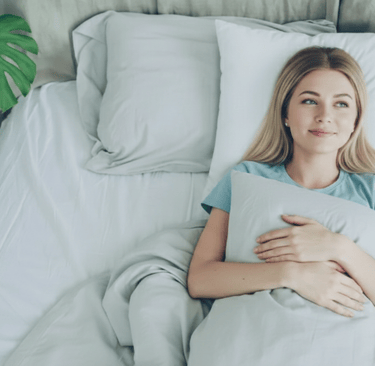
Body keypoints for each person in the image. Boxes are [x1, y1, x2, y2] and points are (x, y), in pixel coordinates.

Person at [187, 46, 375, 318]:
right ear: (285, 113)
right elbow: (200, 279)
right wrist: (292, 274)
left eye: (341, 103)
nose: (325, 115)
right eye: (310, 101)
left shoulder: (370, 190)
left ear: (357, 120)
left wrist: (339, 247)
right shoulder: (245, 178)